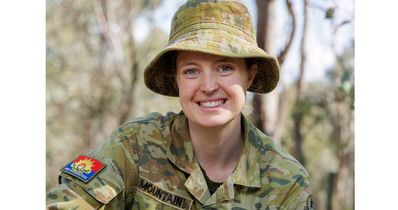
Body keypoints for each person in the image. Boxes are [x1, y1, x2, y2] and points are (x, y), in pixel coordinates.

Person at [46, 0, 314, 209]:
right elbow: (69, 201)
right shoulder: (134, 146)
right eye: (191, 71)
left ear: (250, 75)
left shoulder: (286, 181)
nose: (208, 86)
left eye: (225, 68)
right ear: (176, 78)